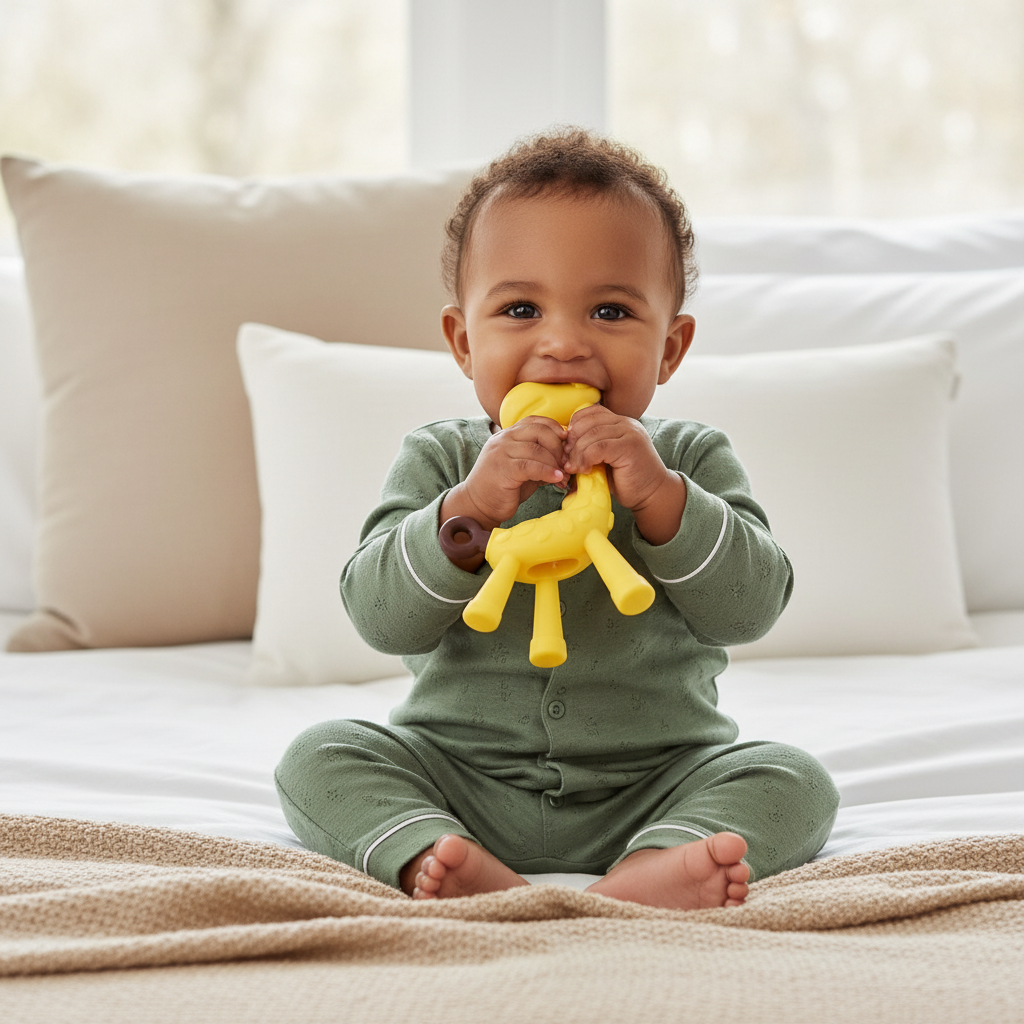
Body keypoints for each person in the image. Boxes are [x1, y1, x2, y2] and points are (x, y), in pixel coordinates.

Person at [275, 128, 839, 911]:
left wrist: (662, 497)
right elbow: (379, 618)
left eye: (610, 310)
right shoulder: (442, 459)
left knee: (794, 779)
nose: (565, 344)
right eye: (520, 309)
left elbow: (749, 610)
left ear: (670, 348)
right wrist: (467, 512)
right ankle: (435, 850)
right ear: (463, 342)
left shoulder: (689, 458)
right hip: (460, 774)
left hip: (658, 778)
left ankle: (659, 862)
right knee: (319, 755)